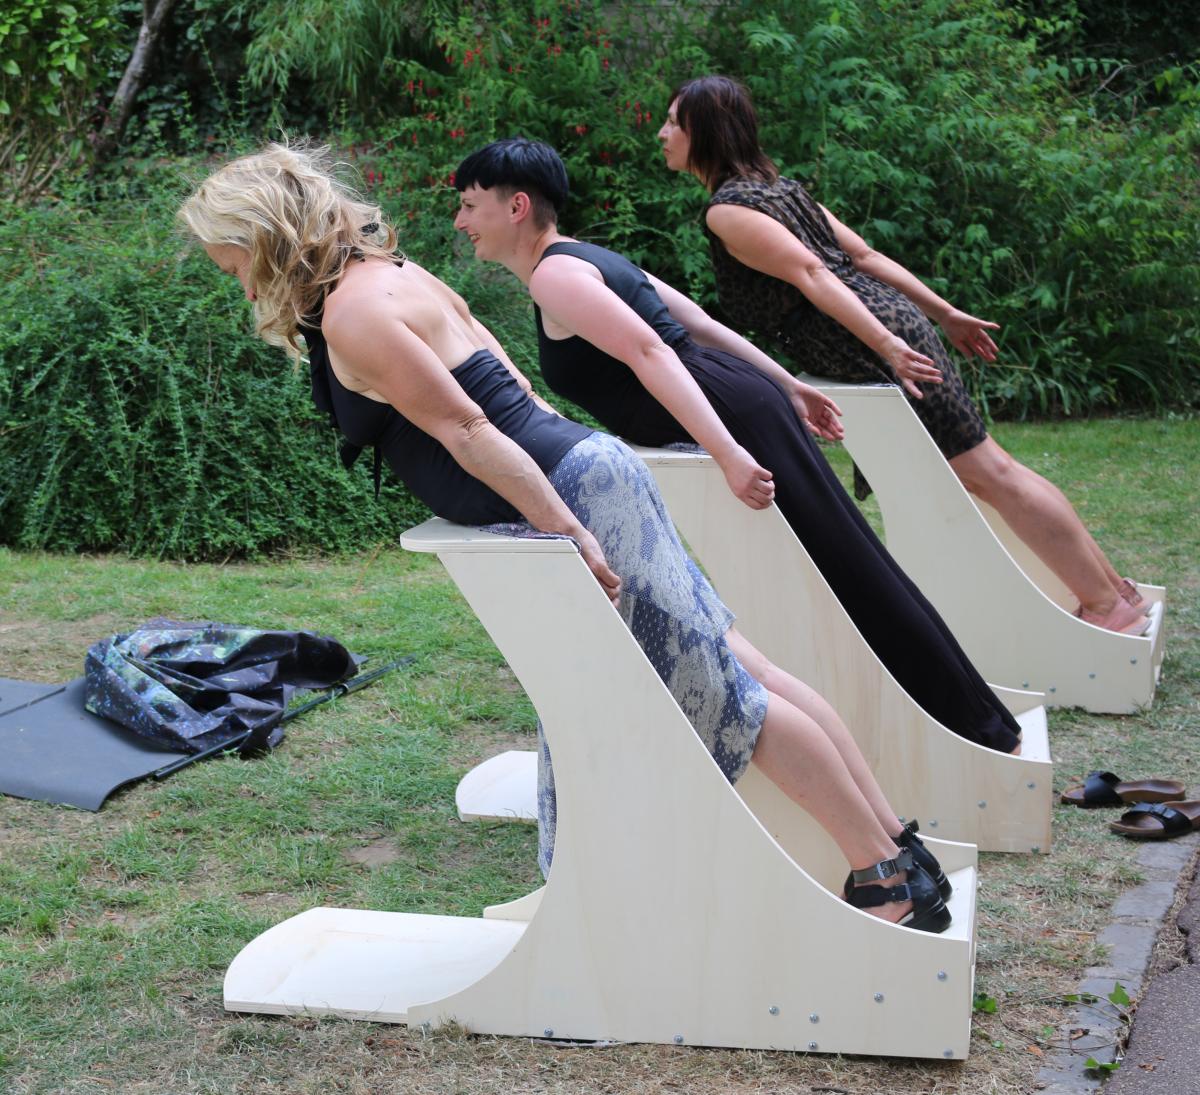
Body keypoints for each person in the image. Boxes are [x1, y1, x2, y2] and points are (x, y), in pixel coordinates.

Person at [178, 141, 953, 932]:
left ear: (266, 238)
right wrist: (572, 480)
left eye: (229, 261)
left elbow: (470, 427)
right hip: (586, 474)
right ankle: (899, 848)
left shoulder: (354, 312)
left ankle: (885, 874)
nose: (233, 280)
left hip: (578, 493)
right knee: (739, 664)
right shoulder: (394, 276)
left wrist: (567, 525)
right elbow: (505, 373)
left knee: (724, 693)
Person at [453, 137, 1022, 755]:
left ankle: (974, 730)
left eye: (468, 204)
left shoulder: (556, 277)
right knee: (851, 558)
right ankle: (976, 721)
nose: (461, 221)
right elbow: (696, 323)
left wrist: (727, 450)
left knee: (848, 569)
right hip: (741, 400)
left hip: (733, 413)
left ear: (516, 207)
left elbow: (655, 351)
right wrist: (786, 384)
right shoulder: (585, 259)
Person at [656, 74, 1149, 636]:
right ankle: (1114, 592)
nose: (663, 134)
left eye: (673, 122)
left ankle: (1108, 607)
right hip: (886, 326)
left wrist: (888, 344)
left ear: (703, 132)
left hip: (870, 339)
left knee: (989, 471)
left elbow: (817, 273)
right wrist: (941, 315)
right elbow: (862, 256)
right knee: (995, 467)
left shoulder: (728, 211)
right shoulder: (781, 189)